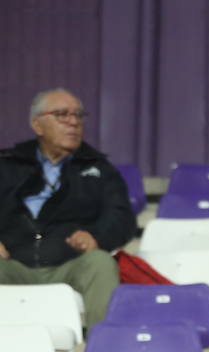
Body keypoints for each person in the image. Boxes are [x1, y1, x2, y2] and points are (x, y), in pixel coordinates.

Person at [0, 88, 134, 326]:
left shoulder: (99, 169)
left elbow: (121, 215)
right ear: (38, 125)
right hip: (12, 264)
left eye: (78, 115)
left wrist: (96, 237)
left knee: (101, 263)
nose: (73, 122)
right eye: (62, 114)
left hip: (69, 264)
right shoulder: (8, 164)